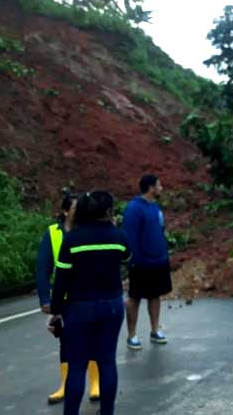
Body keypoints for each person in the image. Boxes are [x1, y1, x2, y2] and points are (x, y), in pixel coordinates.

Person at [47, 191, 129, 415]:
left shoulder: (72, 240)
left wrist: (55, 312)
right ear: (110, 211)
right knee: (107, 363)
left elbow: (61, 280)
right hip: (112, 306)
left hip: (79, 308)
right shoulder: (119, 237)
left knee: (77, 365)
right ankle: (107, 412)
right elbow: (127, 260)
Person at [36, 194, 102, 405]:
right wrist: (45, 298)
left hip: (88, 296)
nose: (79, 211)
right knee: (65, 341)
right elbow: (43, 268)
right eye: (75, 208)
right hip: (64, 299)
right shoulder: (53, 234)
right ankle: (64, 384)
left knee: (92, 339)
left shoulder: (88, 231)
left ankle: (95, 382)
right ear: (65, 211)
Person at [122, 175, 171, 350]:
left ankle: (154, 330)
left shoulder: (155, 207)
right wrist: (134, 259)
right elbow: (130, 236)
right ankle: (132, 335)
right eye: (159, 185)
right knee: (134, 298)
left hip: (158, 261)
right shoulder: (134, 209)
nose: (161, 188)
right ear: (151, 187)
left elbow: (160, 230)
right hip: (140, 262)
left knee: (155, 295)